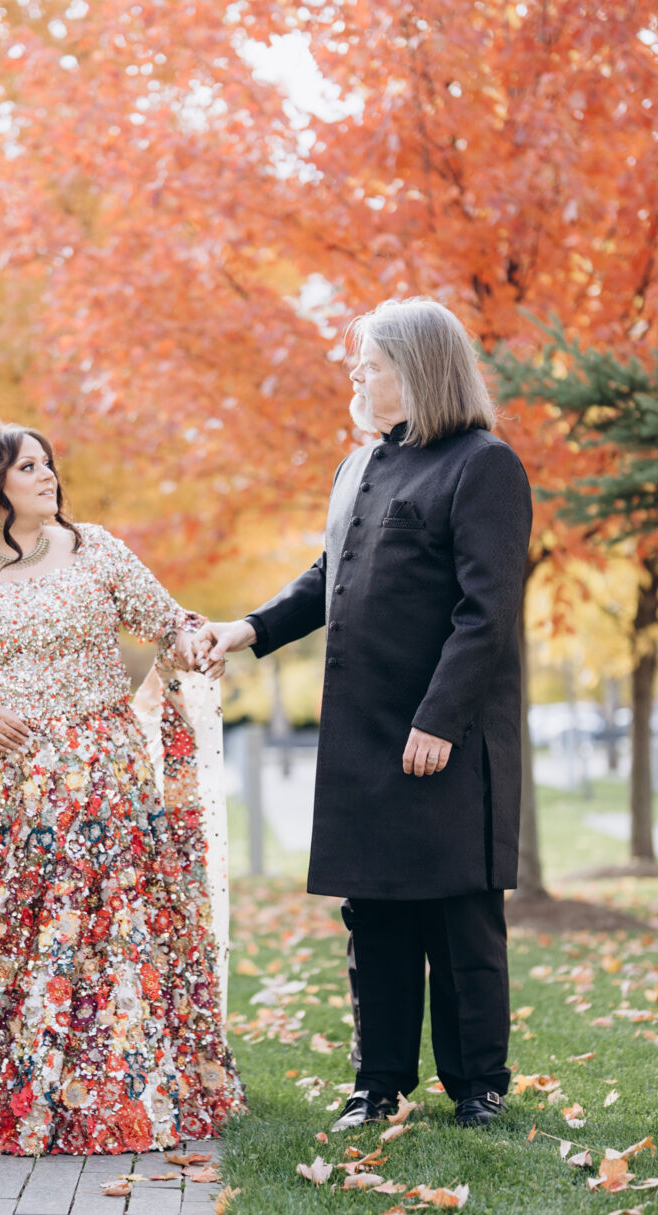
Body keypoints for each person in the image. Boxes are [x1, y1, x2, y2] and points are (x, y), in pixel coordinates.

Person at [194, 297, 531, 1131]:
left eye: (371, 364)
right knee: (374, 916)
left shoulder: (484, 465)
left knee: (459, 917)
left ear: (417, 373)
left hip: (445, 733)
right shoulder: (358, 467)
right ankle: (377, 1085)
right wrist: (250, 629)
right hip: (364, 732)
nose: (356, 374)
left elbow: (486, 613)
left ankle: (478, 1087)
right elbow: (329, 576)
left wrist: (439, 720)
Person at [0, 422, 244, 1154]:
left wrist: (195, 644)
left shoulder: (94, 549)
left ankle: (122, 1083)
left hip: (104, 780)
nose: (48, 476)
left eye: (48, 464)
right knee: (15, 936)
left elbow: (166, 622)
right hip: (1, 788)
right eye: (29, 467)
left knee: (108, 927)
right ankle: (10, 1079)